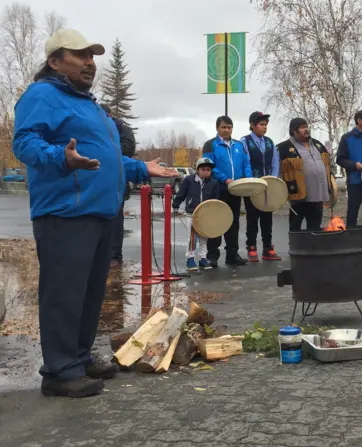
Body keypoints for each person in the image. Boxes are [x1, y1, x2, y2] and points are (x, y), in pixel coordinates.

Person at [12, 28, 178, 398]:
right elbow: (24, 142)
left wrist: (139, 169)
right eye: (80, 55)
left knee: (88, 293)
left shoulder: (88, 105)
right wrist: (61, 157)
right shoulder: (42, 95)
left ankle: (79, 358)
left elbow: (105, 159)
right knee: (64, 292)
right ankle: (58, 372)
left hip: (100, 212)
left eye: (92, 56)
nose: (90, 62)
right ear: (55, 61)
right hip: (65, 213)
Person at [202, 116, 251, 266]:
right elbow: (209, 165)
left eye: (229, 127)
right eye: (223, 127)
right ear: (217, 128)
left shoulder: (239, 145)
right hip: (218, 189)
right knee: (216, 221)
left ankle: (232, 254)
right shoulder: (211, 145)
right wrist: (225, 179)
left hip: (235, 190)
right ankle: (212, 256)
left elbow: (246, 163)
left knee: (233, 222)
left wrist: (247, 179)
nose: (226, 130)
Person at [278, 118, 332, 231]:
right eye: (302, 127)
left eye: (306, 126)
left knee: (315, 228)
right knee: (295, 228)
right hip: (298, 197)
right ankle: (296, 248)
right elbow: (276, 170)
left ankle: (313, 248)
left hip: (318, 196)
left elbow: (327, 165)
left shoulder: (318, 145)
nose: (306, 129)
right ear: (294, 131)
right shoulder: (283, 148)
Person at [240, 111, 281, 262]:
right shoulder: (245, 141)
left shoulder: (270, 142)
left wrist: (273, 180)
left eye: (266, 125)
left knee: (267, 218)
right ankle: (251, 247)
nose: (264, 128)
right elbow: (246, 162)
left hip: (267, 187)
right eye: (261, 125)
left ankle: (267, 248)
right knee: (252, 217)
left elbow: (275, 162)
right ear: (252, 125)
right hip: (252, 186)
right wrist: (253, 181)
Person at [100, 104, 136, 268]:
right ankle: (99, 255)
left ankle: (115, 256)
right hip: (95, 182)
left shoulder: (123, 129)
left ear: (110, 115)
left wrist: (105, 149)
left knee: (115, 220)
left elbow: (128, 149)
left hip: (116, 182)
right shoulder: (93, 128)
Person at [172, 157, 220, 270]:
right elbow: (181, 194)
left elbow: (215, 200)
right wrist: (175, 205)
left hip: (205, 215)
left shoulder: (214, 183)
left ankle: (203, 258)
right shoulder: (189, 180)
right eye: (203, 169)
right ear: (197, 169)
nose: (206, 172)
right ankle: (190, 259)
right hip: (192, 213)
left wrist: (214, 212)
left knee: (204, 237)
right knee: (192, 238)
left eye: (208, 170)